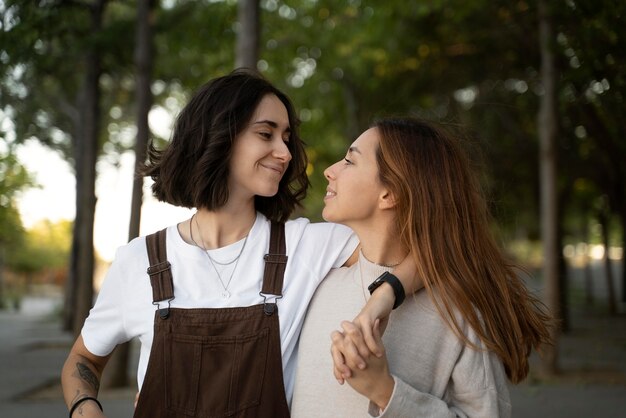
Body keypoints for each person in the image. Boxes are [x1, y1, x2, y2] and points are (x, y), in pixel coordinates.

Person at [61, 69, 414, 418]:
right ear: (218, 135)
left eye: (286, 138)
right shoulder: (138, 261)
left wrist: (382, 297)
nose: (286, 153)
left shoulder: (306, 244)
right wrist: (84, 408)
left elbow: (424, 248)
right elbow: (83, 360)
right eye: (266, 134)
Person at [291, 117, 553, 417]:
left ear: (390, 194)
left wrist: (384, 390)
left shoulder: (459, 313)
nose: (330, 170)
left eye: (350, 161)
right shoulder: (316, 280)